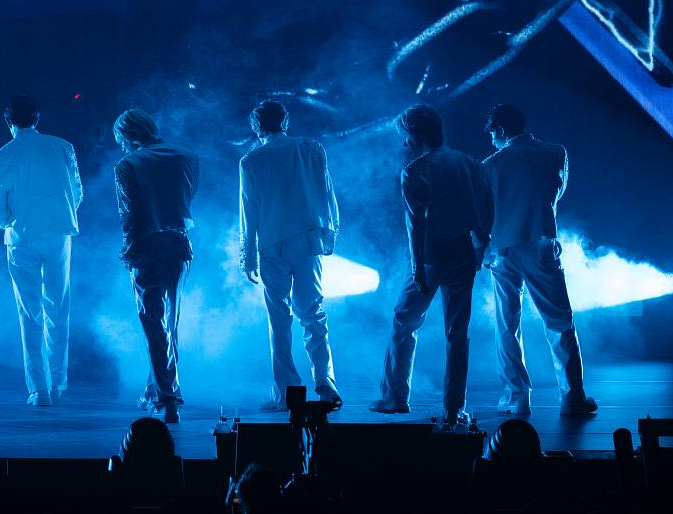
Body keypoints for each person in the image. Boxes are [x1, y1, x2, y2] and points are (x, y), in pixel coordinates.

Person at [370, 104, 490, 424]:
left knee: (404, 321)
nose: (404, 142)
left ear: (416, 134)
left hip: (431, 255)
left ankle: (394, 397)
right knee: (457, 332)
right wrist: (480, 249)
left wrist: (418, 268)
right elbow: (483, 210)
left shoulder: (415, 171)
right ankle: (453, 408)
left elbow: (416, 225)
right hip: (463, 251)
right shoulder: (469, 163)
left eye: (406, 136)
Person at [482, 103, 597, 416]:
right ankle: (573, 397)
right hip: (541, 243)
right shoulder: (556, 152)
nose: (491, 138)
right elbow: (555, 194)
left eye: (491, 132)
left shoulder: (491, 164)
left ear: (500, 129)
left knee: (507, 324)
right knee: (559, 321)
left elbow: (485, 210)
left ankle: (517, 397)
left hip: (503, 248)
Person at [239, 100, 342, 410]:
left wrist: (247, 255)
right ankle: (325, 382)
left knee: (279, 320)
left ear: (256, 126)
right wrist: (329, 233)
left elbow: (248, 212)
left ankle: (286, 393)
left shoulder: (251, 161)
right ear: (285, 121)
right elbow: (326, 193)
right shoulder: (312, 149)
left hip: (272, 245)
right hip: (308, 240)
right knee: (314, 313)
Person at [0, 95, 83, 407]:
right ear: (37, 117)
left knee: (29, 312)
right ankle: (57, 384)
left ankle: (39, 389)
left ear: (7, 121)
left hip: (21, 237)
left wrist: (8, 222)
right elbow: (76, 192)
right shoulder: (63, 147)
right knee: (58, 308)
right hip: (58, 234)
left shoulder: (1, 156)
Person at [113, 109, 199, 424]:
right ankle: (158, 391)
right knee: (170, 323)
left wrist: (128, 251)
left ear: (128, 135)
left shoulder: (127, 164)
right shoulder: (187, 155)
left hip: (147, 246)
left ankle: (167, 398)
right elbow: (189, 196)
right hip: (179, 243)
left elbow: (130, 214)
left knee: (153, 324)